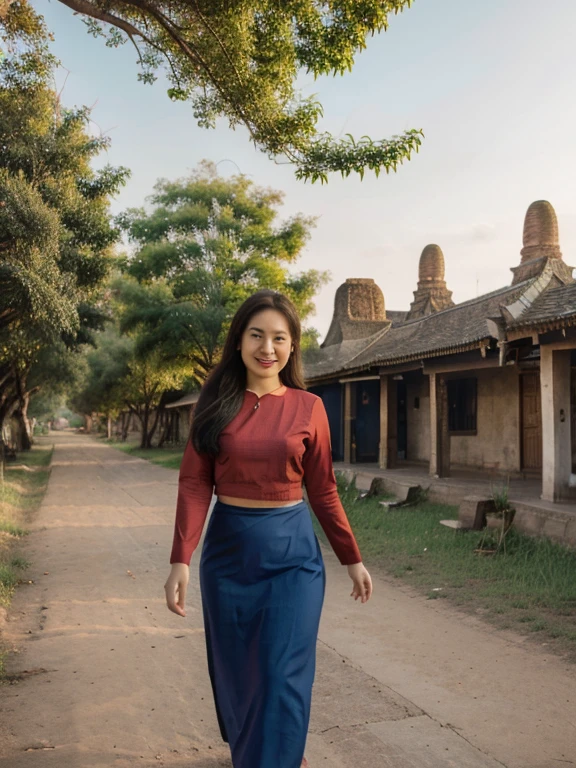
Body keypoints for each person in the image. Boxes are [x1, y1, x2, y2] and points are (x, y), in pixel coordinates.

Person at [164, 289, 372, 768]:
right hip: (229, 556)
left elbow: (323, 490)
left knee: (281, 674)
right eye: (257, 335)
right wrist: (181, 559)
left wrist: (351, 558)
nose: (267, 347)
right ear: (239, 341)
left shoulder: (309, 407)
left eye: (280, 337)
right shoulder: (213, 406)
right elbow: (195, 483)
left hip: (293, 558)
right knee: (242, 673)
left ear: (293, 346)